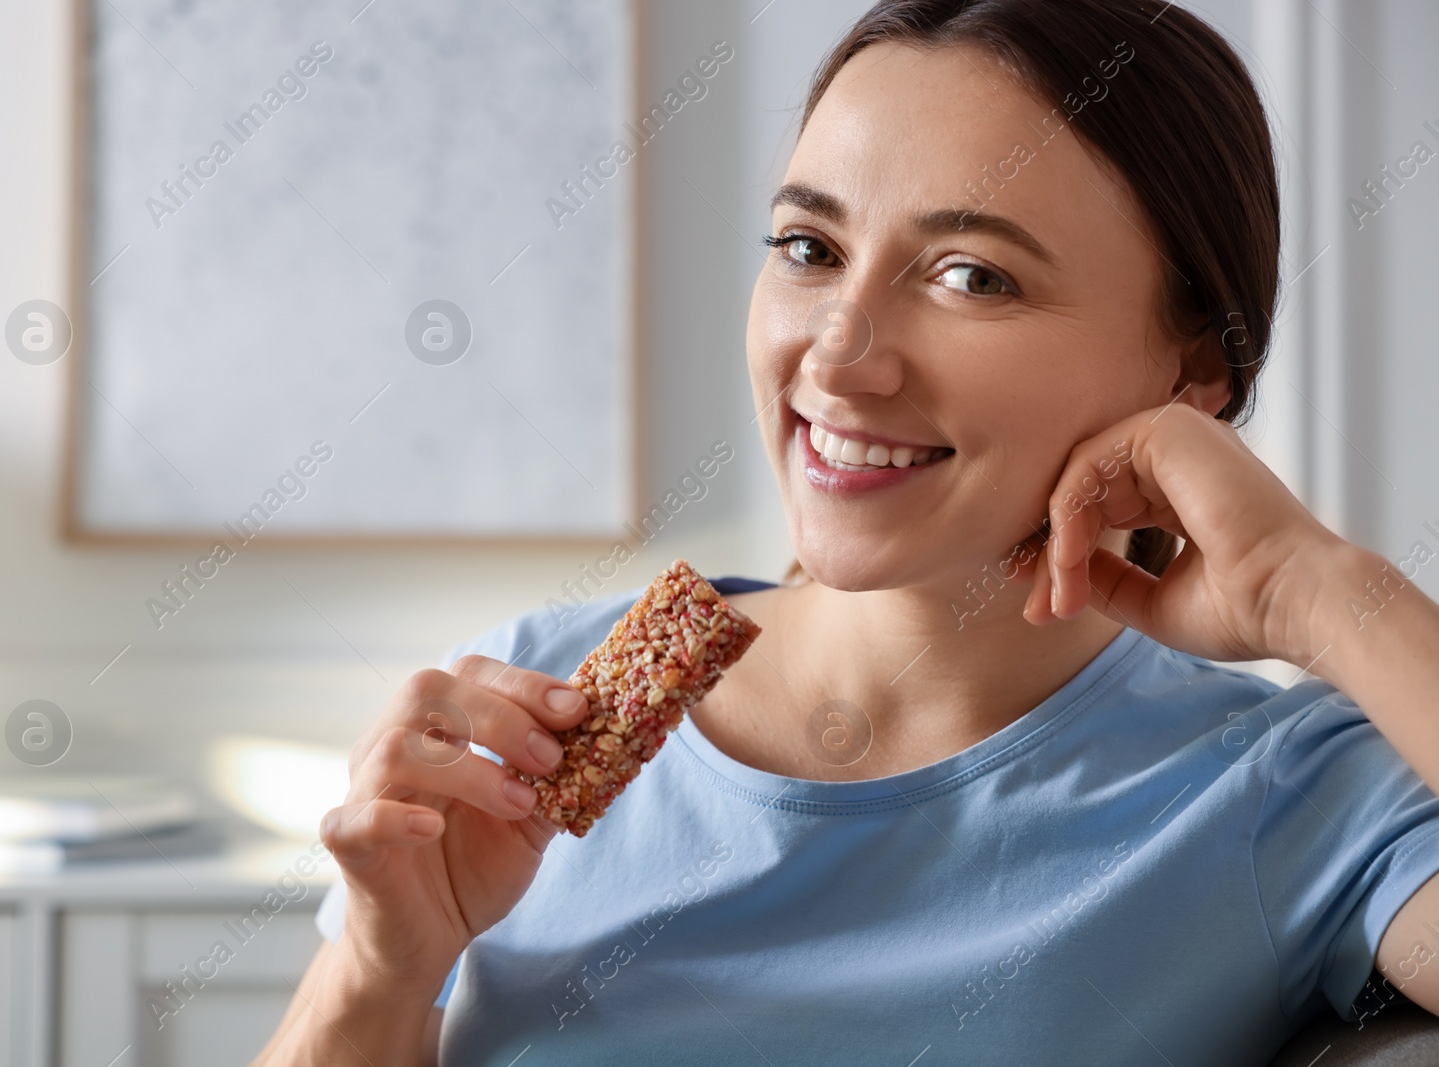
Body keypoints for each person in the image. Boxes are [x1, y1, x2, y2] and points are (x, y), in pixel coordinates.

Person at [256, 1, 1439, 1063]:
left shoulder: (1286, 795)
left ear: (1189, 370)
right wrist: (384, 960)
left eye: (972, 276)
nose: (836, 351)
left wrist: (1313, 586)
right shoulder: (535, 711)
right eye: (809, 249)